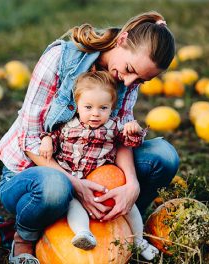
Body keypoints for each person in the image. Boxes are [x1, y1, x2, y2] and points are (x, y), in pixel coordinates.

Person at [0, 11, 179, 263]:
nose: (129, 81)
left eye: (140, 81)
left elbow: (120, 137)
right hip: (34, 172)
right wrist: (76, 185)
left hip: (90, 166)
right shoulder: (60, 58)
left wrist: (132, 186)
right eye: (129, 70)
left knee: (164, 156)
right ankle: (23, 239)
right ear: (122, 39)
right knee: (56, 187)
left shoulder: (127, 79)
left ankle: (121, 224)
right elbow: (30, 140)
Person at [38, 71, 158, 260]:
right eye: (88, 107)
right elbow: (52, 137)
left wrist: (133, 130)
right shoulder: (67, 126)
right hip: (75, 182)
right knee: (72, 205)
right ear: (77, 106)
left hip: (103, 182)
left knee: (130, 208)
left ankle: (139, 241)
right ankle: (83, 233)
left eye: (103, 107)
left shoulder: (114, 126)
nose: (95, 113)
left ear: (111, 108)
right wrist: (46, 141)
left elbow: (130, 142)